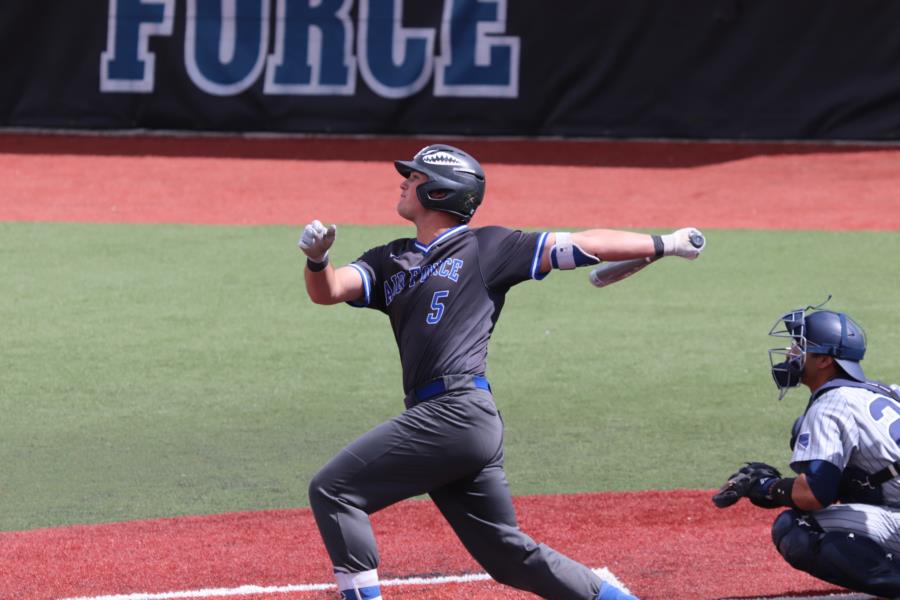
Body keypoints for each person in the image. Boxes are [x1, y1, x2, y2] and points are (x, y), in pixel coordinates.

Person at [299, 143, 706, 600]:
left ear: (438, 190)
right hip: (458, 423)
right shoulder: (388, 258)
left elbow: (577, 243)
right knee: (509, 557)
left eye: (413, 176)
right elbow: (329, 290)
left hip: (455, 413)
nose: (403, 181)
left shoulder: (487, 246)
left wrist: (665, 244)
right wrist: (318, 260)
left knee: (334, 491)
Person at [712, 304, 900, 598]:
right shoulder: (884, 391)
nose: (791, 352)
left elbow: (814, 495)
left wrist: (767, 486)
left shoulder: (831, 405)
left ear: (824, 360)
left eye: (801, 346)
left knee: (797, 528)